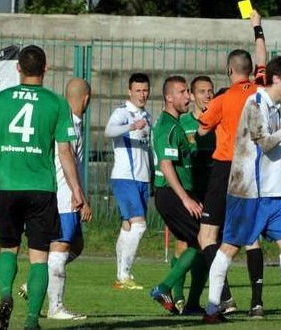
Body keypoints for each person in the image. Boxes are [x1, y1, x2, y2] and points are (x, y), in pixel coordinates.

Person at [203, 56, 281, 327]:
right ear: (276, 79)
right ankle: (212, 308)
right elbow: (265, 143)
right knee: (228, 249)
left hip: (271, 194)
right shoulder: (256, 104)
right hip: (249, 193)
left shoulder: (273, 107)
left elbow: (280, 141)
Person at [0, 45, 86, 330]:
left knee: (7, 249)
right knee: (39, 256)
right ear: (45, 68)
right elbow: (65, 151)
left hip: (7, 184)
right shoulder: (55, 103)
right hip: (41, 188)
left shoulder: (0, 100)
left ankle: (5, 296)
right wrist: (77, 190)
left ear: (18, 68)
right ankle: (31, 321)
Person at [197, 9, 267, 317]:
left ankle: (224, 295)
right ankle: (257, 301)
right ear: (251, 71)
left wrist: (198, 112)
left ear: (229, 70)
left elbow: (201, 128)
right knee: (251, 237)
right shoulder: (261, 89)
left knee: (207, 235)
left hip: (226, 167)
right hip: (253, 169)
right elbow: (263, 56)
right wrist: (257, 27)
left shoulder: (223, 99)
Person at [149, 75, 203, 314]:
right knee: (200, 241)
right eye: (182, 92)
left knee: (190, 243)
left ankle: (181, 299)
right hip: (171, 194)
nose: (188, 97)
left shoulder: (175, 124)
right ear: (169, 97)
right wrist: (185, 198)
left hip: (175, 193)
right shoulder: (167, 127)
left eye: (187, 92)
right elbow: (166, 164)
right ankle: (165, 287)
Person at [46, 77, 93, 319]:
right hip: (64, 196)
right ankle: (55, 307)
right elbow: (68, 162)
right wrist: (80, 196)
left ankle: (39, 279)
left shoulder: (64, 120)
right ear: (86, 99)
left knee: (76, 245)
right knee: (61, 247)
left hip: (65, 194)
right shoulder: (70, 126)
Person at [170, 75, 216, 314]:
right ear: (193, 95)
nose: (207, 95)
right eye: (202, 91)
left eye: (210, 91)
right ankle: (176, 295)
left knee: (207, 246)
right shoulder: (183, 123)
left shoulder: (219, 123)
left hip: (213, 193)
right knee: (184, 243)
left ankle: (193, 302)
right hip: (189, 192)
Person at [104, 73, 152, 290]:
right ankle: (125, 275)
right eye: (138, 90)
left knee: (127, 226)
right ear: (129, 91)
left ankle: (120, 275)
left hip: (142, 178)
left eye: (145, 90)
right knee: (139, 225)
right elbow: (108, 131)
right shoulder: (122, 112)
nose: (142, 94)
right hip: (125, 177)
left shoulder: (147, 115)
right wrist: (131, 127)